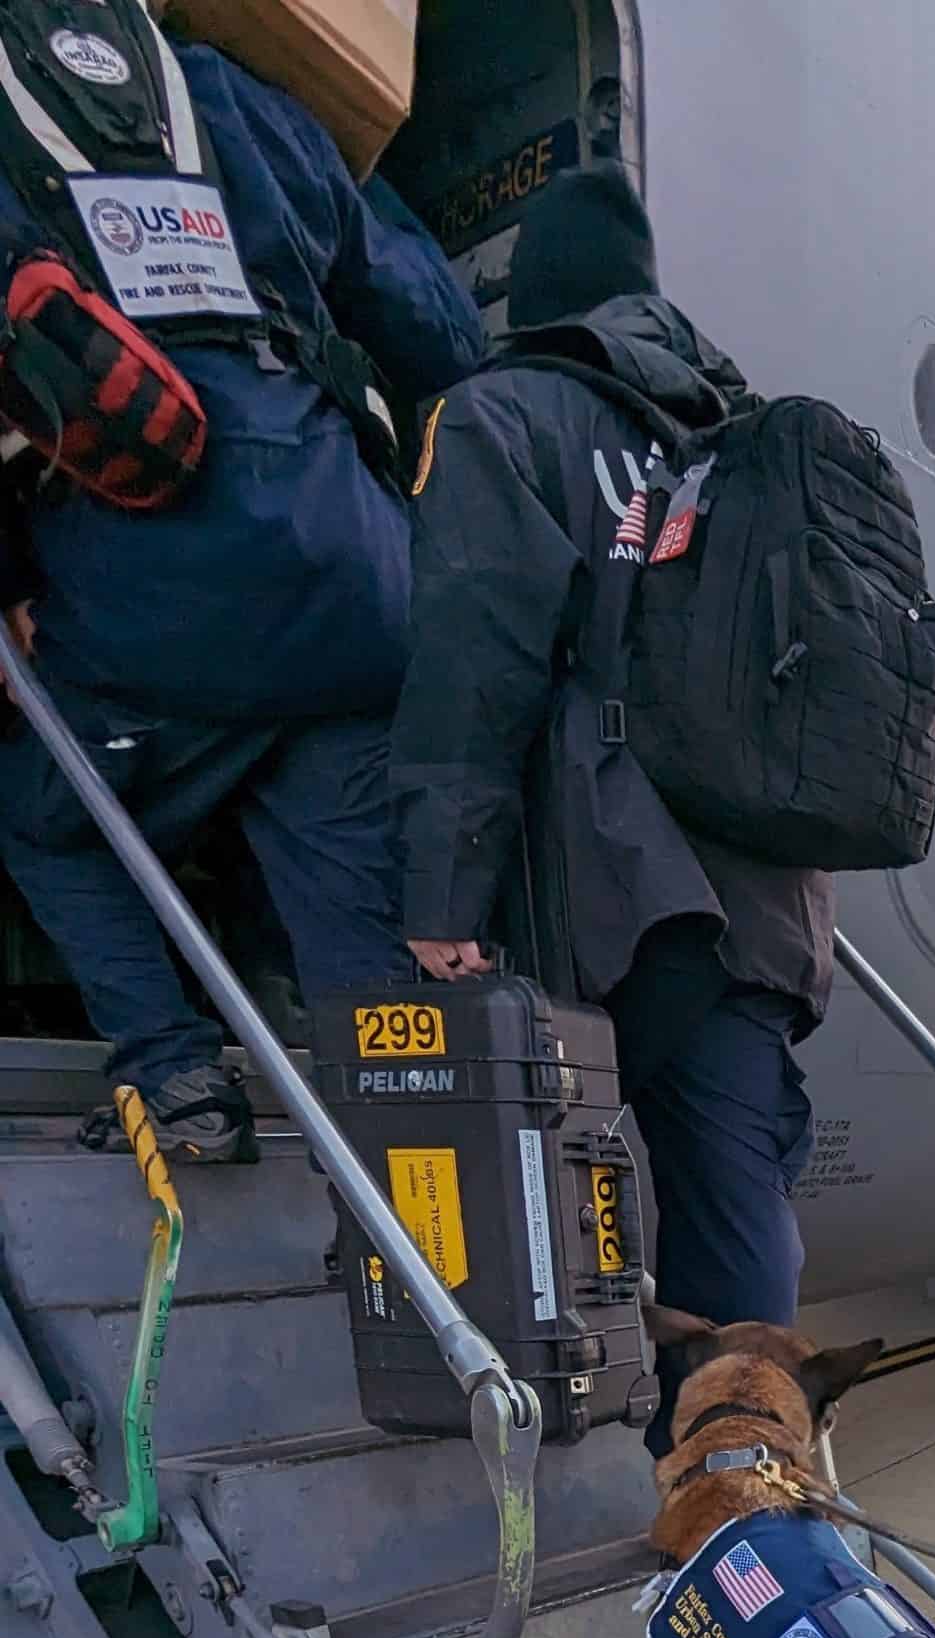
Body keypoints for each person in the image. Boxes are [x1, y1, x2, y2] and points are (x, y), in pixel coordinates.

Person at [387, 166, 833, 1453]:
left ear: (535, 298)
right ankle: (753, 1513)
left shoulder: (503, 416)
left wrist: (440, 892)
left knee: (540, 1190)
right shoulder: (733, 439)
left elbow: (474, 662)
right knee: (739, 1216)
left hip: (612, 888)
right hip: (762, 898)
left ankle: (558, 1451)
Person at [0, 28, 483, 1159]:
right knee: (352, 909)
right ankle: (413, 1210)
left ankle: (176, 1079)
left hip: (147, 596)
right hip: (349, 576)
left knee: (42, 820)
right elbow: (441, 333)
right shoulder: (239, 92)